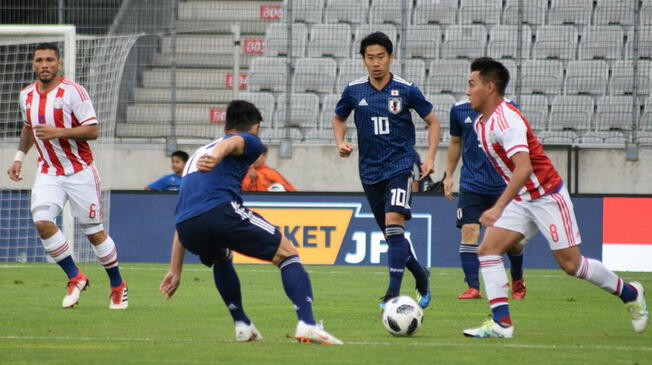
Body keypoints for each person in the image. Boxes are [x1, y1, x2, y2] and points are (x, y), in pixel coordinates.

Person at [462, 57, 648, 338]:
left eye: (472, 84)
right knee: (487, 250)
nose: (467, 90)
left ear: (489, 87)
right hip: (523, 199)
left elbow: (524, 168)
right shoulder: (481, 124)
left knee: (572, 265)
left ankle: (631, 292)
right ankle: (502, 325)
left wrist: (499, 206)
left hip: (547, 196)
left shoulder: (506, 120)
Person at [159, 100, 342, 345]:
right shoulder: (247, 141)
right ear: (254, 127)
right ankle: (307, 324)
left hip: (186, 228)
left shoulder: (197, 155)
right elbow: (233, 142)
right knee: (287, 253)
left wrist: (175, 270)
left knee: (222, 257)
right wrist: (217, 155)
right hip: (220, 212)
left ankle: (242, 324)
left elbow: (184, 213)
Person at [6, 43, 127, 309]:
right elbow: (29, 128)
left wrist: (59, 132)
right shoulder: (26, 95)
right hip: (48, 171)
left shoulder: (74, 92)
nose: (45, 64)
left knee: (94, 234)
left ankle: (117, 285)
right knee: (42, 222)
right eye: (39, 60)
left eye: (50, 60)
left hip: (79, 170)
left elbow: (93, 130)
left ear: (59, 64)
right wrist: (18, 158)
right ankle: (75, 276)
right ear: (33, 64)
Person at [332, 31, 440, 308]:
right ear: (363, 60)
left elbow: (433, 122)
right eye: (371, 58)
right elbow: (338, 117)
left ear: (391, 58)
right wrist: (340, 141)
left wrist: (429, 158)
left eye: (381, 57)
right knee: (392, 236)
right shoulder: (354, 90)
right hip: (369, 171)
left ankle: (392, 294)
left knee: (394, 225)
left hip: (400, 166)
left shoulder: (406, 89)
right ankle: (420, 273)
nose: (376, 62)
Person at [444, 98, 527, 300]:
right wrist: (448, 175)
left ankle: (517, 280)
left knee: (513, 243)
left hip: (503, 185)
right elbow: (455, 142)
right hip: (472, 184)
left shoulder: (508, 107)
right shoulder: (458, 110)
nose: (470, 89)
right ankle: (473, 287)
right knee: (469, 231)